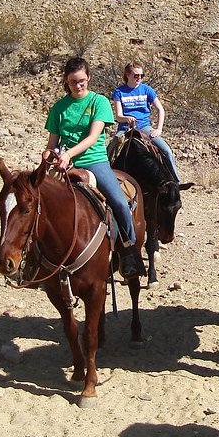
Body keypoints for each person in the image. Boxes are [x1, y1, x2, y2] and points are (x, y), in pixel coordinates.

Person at [45, 57, 144, 279]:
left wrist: (69, 153)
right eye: (73, 82)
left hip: (93, 160)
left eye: (81, 81)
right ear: (66, 81)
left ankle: (129, 251)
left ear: (88, 77)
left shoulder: (98, 102)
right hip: (64, 164)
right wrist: (49, 157)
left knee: (118, 200)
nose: (78, 86)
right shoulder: (59, 108)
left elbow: (93, 137)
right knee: (38, 201)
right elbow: (51, 144)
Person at [111, 61, 181, 182]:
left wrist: (158, 129)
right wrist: (126, 119)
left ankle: (175, 181)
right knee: (111, 149)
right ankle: (107, 178)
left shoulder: (147, 90)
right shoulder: (119, 92)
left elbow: (160, 110)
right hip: (125, 128)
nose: (139, 78)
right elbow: (118, 116)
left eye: (141, 75)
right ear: (127, 75)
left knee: (166, 151)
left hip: (144, 126)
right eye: (136, 75)